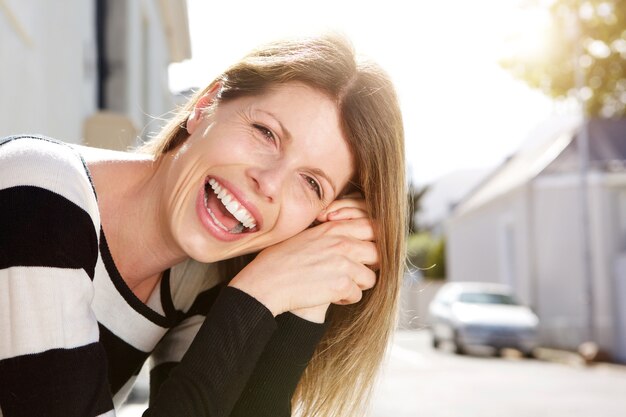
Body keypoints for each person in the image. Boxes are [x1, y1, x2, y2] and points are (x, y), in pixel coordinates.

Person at [0, 34, 406, 417]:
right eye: (266, 133)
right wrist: (259, 295)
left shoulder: (195, 280)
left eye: (311, 183)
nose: (269, 183)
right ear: (205, 105)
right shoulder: (39, 189)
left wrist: (311, 287)